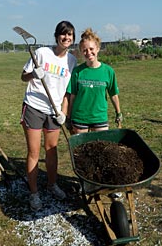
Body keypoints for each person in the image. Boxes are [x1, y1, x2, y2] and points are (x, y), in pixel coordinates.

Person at [20, 21, 77, 211]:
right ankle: (34, 193)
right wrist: (33, 75)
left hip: (55, 110)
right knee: (34, 152)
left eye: (70, 35)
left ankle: (52, 185)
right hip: (34, 107)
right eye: (63, 34)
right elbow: (23, 76)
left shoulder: (72, 61)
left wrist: (64, 114)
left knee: (51, 149)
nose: (66, 38)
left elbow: (68, 92)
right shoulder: (42, 53)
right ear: (57, 36)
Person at [67, 28, 122, 134]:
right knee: (80, 149)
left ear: (98, 48)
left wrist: (118, 113)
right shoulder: (77, 72)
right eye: (84, 50)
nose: (88, 53)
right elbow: (72, 96)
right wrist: (69, 117)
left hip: (99, 118)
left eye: (91, 49)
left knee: (101, 149)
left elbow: (114, 95)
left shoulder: (108, 71)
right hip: (80, 118)